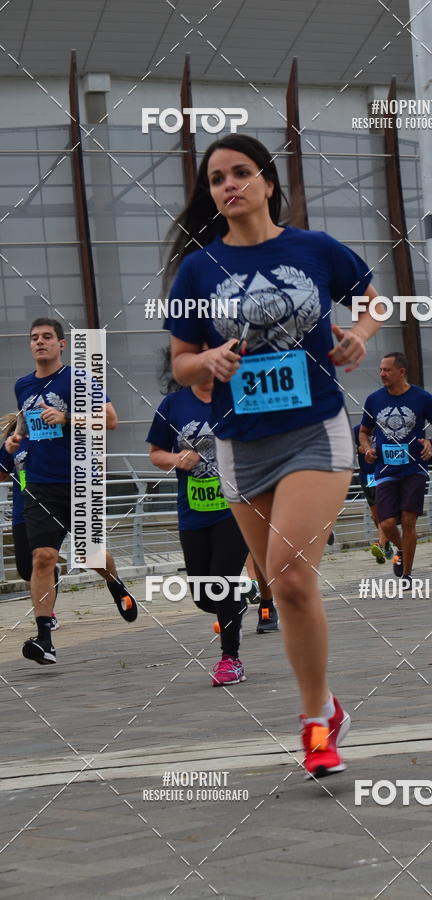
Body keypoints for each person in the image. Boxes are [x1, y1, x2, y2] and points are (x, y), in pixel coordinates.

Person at [162, 133, 381, 778]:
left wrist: (361, 335)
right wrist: (205, 358)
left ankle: (315, 720)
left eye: (240, 173)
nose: (228, 186)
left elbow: (375, 299)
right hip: (238, 442)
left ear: (267, 181)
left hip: (314, 428)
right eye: (216, 179)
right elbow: (179, 364)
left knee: (286, 573)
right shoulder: (198, 270)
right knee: (283, 585)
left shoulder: (312, 249)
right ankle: (329, 707)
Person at [5, 318, 137, 665]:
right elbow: (27, 419)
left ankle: (115, 584)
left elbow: (110, 420)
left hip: (80, 480)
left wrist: (67, 419)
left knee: (91, 556)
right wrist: (16, 436)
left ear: (61, 344)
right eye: (34, 338)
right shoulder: (22, 385)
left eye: (47, 337)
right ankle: (45, 638)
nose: (40, 343)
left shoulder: (79, 380)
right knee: (42, 557)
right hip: (38, 484)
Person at [147, 349, 274, 686]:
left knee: (223, 581)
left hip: (235, 507)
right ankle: (235, 607)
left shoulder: (241, 397)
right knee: (205, 596)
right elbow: (155, 453)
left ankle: (230, 660)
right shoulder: (173, 406)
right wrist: (176, 459)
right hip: (193, 512)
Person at [359, 353, 432, 589]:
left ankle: (407, 575)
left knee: (409, 519)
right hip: (385, 468)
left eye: (387, 370)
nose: (381, 374)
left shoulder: (422, 398)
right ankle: (401, 548)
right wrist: (367, 448)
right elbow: (363, 431)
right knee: (387, 523)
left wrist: (431, 441)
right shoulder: (373, 400)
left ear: (401, 372)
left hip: (414, 467)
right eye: (380, 369)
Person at [0, 432, 61, 629]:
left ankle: (47, 615)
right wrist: (7, 449)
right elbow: (1, 472)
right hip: (22, 510)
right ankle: (52, 570)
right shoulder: (16, 439)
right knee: (26, 569)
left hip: (50, 508)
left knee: (43, 560)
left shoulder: (56, 436)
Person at [352, 423, 393, 564]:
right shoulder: (358, 430)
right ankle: (386, 542)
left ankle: (380, 545)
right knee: (376, 515)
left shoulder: (386, 429)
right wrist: (361, 448)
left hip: (384, 475)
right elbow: (350, 447)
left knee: (383, 513)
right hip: (367, 477)